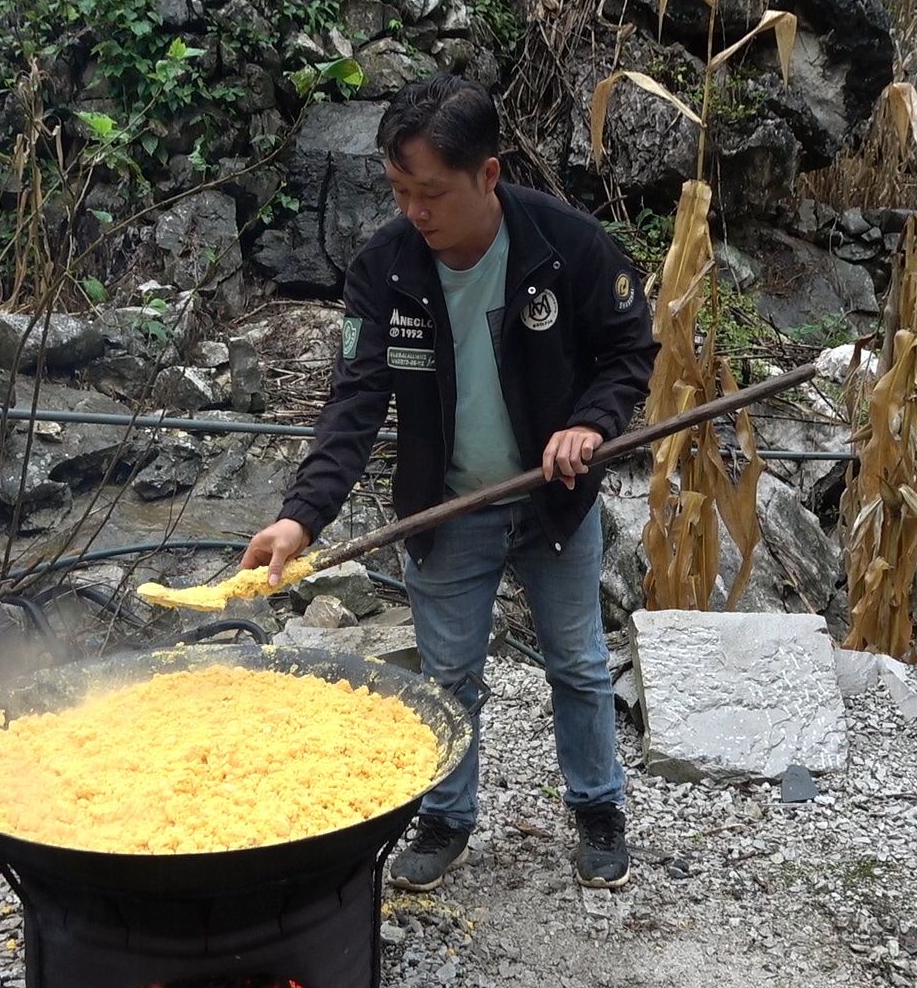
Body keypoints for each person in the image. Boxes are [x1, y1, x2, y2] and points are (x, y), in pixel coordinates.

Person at [241, 73, 658, 892]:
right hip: (445, 508)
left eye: (430, 192)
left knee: (577, 663)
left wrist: (590, 423)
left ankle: (599, 807)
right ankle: (446, 815)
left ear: (489, 175)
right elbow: (354, 405)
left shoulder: (565, 245)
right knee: (447, 678)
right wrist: (300, 520)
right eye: (400, 191)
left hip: (553, 501)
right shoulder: (385, 269)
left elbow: (627, 351)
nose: (414, 212)